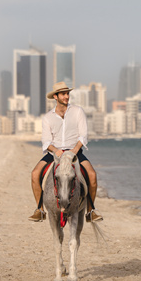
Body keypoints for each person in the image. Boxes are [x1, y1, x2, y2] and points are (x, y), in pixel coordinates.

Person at [28, 81, 103, 223]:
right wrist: (56, 151)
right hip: (54, 154)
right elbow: (46, 141)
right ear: (55, 97)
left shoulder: (78, 111)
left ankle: (90, 210)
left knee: (92, 175)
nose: (66, 96)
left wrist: (74, 151)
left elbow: (83, 135)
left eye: (67, 93)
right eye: (63, 94)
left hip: (75, 153)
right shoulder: (48, 117)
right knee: (35, 174)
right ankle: (39, 209)